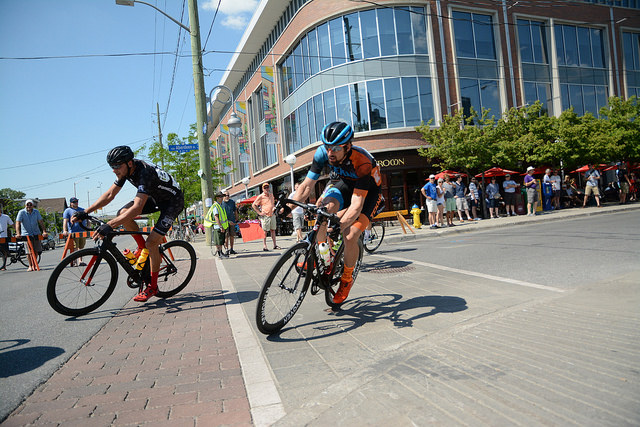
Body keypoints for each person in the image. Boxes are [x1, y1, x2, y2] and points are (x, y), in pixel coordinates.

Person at [73, 146, 184, 302]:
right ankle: (141, 247)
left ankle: (153, 287)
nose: (114, 170)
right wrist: (86, 212)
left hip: (172, 202)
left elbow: (137, 207)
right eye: (112, 166)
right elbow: (110, 194)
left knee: (152, 242)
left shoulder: (144, 172)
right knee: (121, 213)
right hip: (155, 197)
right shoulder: (125, 171)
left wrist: (109, 225)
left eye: (117, 166)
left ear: (129, 163)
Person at [291, 121, 382, 304]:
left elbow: (356, 205)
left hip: (368, 193)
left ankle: (346, 280)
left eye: (335, 148)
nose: (330, 153)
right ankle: (322, 255)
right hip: (345, 184)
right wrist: (287, 207)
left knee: (349, 235)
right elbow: (307, 186)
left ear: (348, 146)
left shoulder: (362, 161)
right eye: (327, 147)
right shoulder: (322, 153)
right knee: (324, 211)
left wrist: (339, 226)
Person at [15, 199, 48, 271]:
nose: (29, 206)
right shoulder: (21, 212)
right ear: (25, 205)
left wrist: (44, 231)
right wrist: (18, 233)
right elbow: (18, 223)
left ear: (33, 205)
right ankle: (30, 265)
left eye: (30, 204)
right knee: (29, 251)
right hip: (26, 234)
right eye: (27, 204)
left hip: (36, 233)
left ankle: (34, 264)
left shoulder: (36, 212)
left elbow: (41, 222)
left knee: (36, 250)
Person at [252, 182, 280, 251]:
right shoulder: (261, 196)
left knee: (273, 230)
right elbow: (254, 205)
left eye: (267, 187)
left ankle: (274, 245)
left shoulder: (271, 195)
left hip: (272, 215)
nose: (267, 189)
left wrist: (273, 208)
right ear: (262, 189)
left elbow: (272, 204)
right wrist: (259, 213)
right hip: (265, 216)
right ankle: (264, 245)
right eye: (265, 187)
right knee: (265, 231)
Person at [62, 197, 87, 266]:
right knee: (75, 247)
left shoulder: (82, 210)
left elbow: (87, 219)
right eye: (74, 202)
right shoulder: (68, 210)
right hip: (73, 232)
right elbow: (65, 221)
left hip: (82, 231)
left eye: (76, 201)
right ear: (71, 203)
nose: (76, 203)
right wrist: (65, 230)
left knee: (81, 247)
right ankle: (75, 261)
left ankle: (80, 261)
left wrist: (88, 227)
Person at [205, 192, 229, 258]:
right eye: (220, 197)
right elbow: (216, 217)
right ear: (217, 198)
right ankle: (220, 253)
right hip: (218, 226)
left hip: (220, 226)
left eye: (222, 197)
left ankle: (221, 253)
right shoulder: (216, 206)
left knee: (220, 241)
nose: (222, 198)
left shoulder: (220, 205)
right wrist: (221, 226)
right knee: (218, 241)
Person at [0, 205, 14, 270]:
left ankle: (4, 265)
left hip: (4, 236)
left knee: (4, 251)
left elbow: (12, 224)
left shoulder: (5, 217)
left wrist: (17, 231)